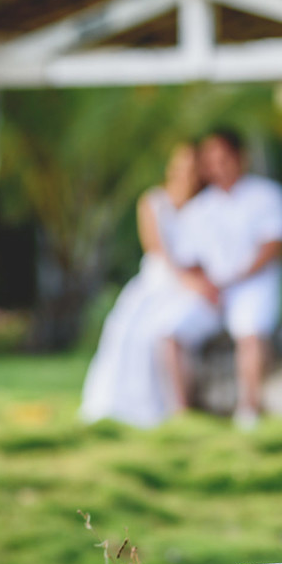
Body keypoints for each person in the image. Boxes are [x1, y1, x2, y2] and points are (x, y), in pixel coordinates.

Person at [164, 128, 282, 428]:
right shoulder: (198, 208)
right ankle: (182, 413)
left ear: (240, 158)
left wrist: (236, 278)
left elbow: (273, 245)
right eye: (210, 159)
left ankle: (249, 411)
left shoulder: (267, 194)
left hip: (254, 285)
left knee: (250, 331)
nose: (217, 166)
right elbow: (189, 259)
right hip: (213, 291)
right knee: (171, 332)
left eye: (223, 158)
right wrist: (207, 286)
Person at [79, 142, 203, 426]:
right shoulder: (153, 200)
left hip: (190, 283)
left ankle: (169, 409)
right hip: (157, 279)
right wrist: (184, 279)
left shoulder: (205, 203)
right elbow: (156, 247)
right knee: (126, 333)